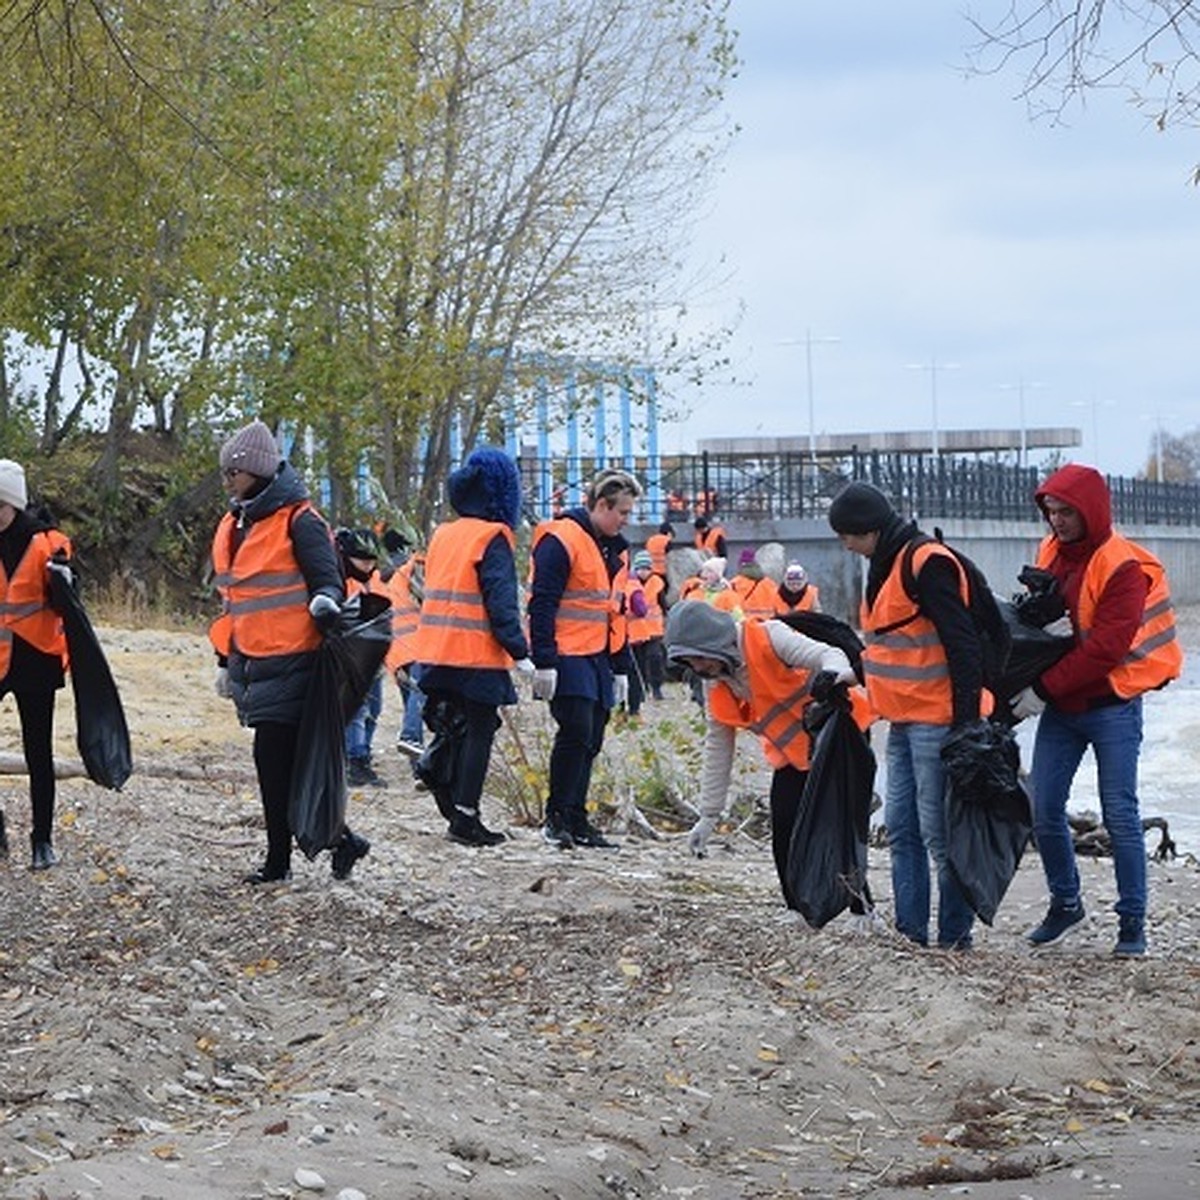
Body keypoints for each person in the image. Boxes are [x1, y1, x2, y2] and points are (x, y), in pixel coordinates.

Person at [1014, 464, 1183, 957]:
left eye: (1067, 511)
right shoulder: (1050, 551)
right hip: (1062, 709)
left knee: (1121, 816)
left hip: (1112, 706)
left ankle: (1132, 925)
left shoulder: (1123, 567)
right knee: (1044, 809)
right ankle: (1066, 902)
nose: (1058, 521)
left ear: (1091, 510)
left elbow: (1105, 649)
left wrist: (1039, 691)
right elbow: (1039, 613)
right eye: (1051, 511)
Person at [210, 420, 370, 885]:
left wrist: (324, 599)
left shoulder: (300, 520)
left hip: (298, 662)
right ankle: (340, 841)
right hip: (254, 663)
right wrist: (225, 661)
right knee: (286, 765)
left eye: (232, 473)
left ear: (257, 471)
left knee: (275, 761)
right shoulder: (234, 525)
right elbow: (233, 602)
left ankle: (280, 861)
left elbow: (327, 579)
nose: (228, 482)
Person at [828, 481, 986, 950]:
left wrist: (965, 724)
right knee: (901, 827)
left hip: (937, 719)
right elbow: (887, 648)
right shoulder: (884, 563)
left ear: (869, 530)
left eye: (847, 535)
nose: (844, 544)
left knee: (938, 833)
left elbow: (963, 644)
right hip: (900, 718)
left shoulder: (925, 563)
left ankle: (956, 935)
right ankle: (912, 933)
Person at [663, 601, 871, 918]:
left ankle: (862, 909)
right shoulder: (716, 681)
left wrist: (829, 678)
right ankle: (796, 909)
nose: (700, 668)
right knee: (785, 820)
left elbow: (830, 655)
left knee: (837, 823)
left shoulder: (770, 638)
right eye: (690, 662)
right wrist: (708, 815)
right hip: (793, 753)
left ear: (716, 643)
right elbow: (718, 746)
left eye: (700, 657)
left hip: (838, 736)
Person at [413, 447, 532, 847]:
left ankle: (442, 781)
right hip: (476, 654)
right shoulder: (492, 537)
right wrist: (520, 652)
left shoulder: (443, 534)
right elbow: (500, 601)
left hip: (435, 648)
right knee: (480, 732)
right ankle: (466, 816)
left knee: (454, 729)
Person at [528, 467, 642, 849]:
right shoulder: (562, 539)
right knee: (576, 731)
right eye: (623, 512)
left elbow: (615, 611)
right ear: (602, 505)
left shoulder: (613, 549)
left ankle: (576, 818)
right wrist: (543, 659)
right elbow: (541, 602)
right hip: (565, 653)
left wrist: (621, 665)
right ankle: (556, 817)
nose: (626, 520)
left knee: (591, 735)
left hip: (596, 655)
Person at [0, 460, 73, 870]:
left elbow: (70, 602)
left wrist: (66, 578)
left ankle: (42, 840)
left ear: (11, 503)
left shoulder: (48, 543)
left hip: (36, 657)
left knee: (37, 752)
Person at [336, 527, 388, 788]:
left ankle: (361, 755)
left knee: (373, 710)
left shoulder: (373, 579)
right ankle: (355, 760)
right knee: (357, 710)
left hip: (372, 657)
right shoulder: (339, 580)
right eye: (362, 560)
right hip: (349, 658)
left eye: (371, 560)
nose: (367, 565)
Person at [383, 538, 427, 761]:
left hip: (396, 649)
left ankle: (418, 767)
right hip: (417, 645)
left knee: (411, 699)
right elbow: (430, 600)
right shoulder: (419, 567)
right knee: (419, 694)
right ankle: (411, 737)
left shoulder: (395, 576)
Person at [625, 549, 667, 711]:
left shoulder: (657, 583)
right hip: (636, 631)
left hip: (654, 629)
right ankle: (642, 689)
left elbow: (662, 604)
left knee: (655, 657)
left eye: (647, 568)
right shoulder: (631, 584)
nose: (644, 572)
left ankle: (656, 686)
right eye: (641, 568)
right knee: (639, 662)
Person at [716, 547, 776, 620]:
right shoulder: (770, 583)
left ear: (741, 565)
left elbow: (729, 604)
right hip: (767, 623)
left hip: (746, 623)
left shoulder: (735, 583)